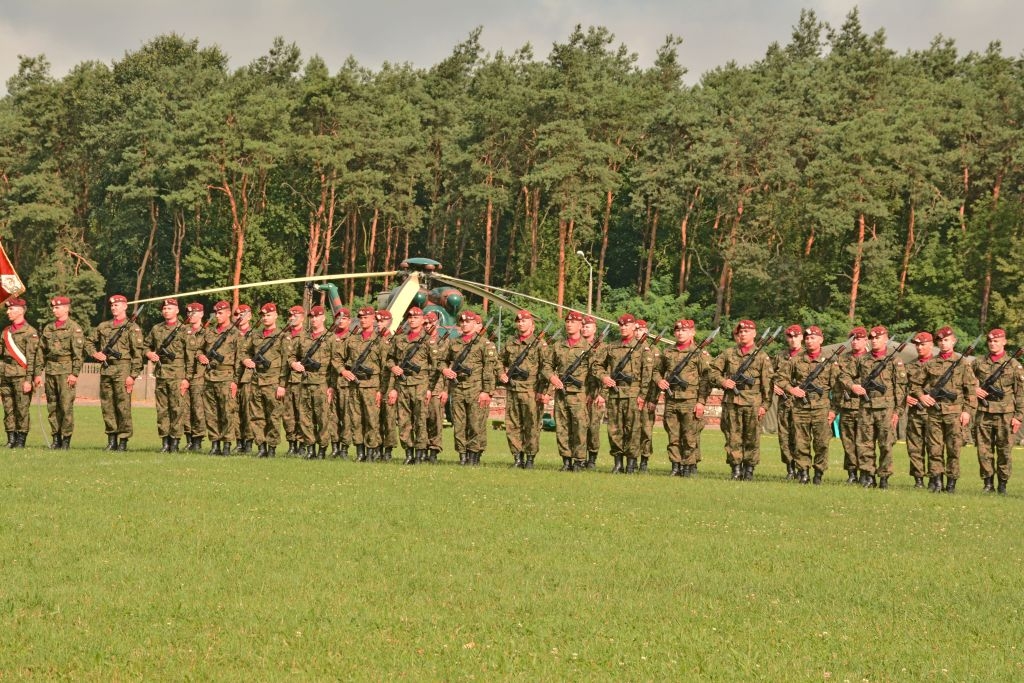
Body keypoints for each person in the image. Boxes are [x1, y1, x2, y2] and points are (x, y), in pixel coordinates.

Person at [844, 325, 907, 489]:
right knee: (864, 444)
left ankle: (884, 477)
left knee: (886, 444)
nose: (874, 341)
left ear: (886, 339)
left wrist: (898, 411)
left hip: (886, 409)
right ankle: (868, 476)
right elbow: (844, 374)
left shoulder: (894, 360)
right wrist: (852, 386)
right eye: (871, 338)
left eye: (877, 338)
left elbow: (900, 388)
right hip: (866, 407)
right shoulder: (862, 359)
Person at [775, 326, 840, 484]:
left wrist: (834, 410)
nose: (809, 341)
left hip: (822, 408)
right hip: (800, 408)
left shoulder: (830, 361)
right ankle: (803, 471)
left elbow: (838, 388)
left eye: (813, 338)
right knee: (800, 442)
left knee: (822, 443)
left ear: (821, 340)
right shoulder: (796, 360)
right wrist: (792, 389)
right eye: (807, 338)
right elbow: (780, 378)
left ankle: (818, 473)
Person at [918, 326, 977, 493]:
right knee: (934, 449)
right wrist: (922, 396)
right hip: (934, 413)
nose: (943, 343)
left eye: (946, 340)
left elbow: (971, 391)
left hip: (955, 414)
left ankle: (951, 483)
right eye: (940, 341)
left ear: (953, 342)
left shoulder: (962, 363)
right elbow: (915, 384)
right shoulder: (930, 363)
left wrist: (967, 411)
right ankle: (937, 481)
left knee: (954, 449)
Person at [713, 320, 773, 480]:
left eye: (747, 331)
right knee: (733, 436)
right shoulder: (728, 353)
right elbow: (712, 371)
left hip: (753, 403)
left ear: (754, 334)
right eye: (741, 332)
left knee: (752, 437)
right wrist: (723, 381)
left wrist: (765, 405)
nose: (743, 334)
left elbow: (768, 384)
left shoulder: (761, 356)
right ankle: (736, 469)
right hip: (732, 402)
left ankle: (749, 469)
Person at [597, 313, 654, 474]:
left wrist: (642, 396)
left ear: (634, 326)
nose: (623, 328)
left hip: (633, 395)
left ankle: (631, 463)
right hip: (615, 394)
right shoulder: (612, 347)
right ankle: (618, 463)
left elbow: (647, 375)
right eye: (621, 325)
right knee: (614, 430)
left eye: (627, 325)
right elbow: (597, 365)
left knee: (633, 430)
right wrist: (604, 377)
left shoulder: (642, 348)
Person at [654, 319, 712, 477]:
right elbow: (656, 370)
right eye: (678, 330)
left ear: (692, 332)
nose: (680, 333)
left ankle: (688, 466)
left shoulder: (700, 353)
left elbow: (706, 379)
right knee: (673, 435)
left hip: (690, 400)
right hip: (671, 399)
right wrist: (659, 381)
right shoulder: (668, 352)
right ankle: (675, 465)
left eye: (684, 330)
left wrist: (701, 402)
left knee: (690, 436)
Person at [438, 311, 495, 466]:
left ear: (474, 324)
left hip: (476, 389)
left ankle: (473, 455)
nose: (464, 324)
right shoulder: (453, 342)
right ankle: (462, 455)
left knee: (475, 424)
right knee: (459, 424)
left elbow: (489, 370)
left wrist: (486, 392)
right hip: (458, 388)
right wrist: (445, 370)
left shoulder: (484, 343)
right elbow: (441, 361)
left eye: (468, 322)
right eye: (462, 322)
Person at [88, 294, 144, 451]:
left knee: (123, 406)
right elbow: (88, 342)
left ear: (125, 306)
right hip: (106, 369)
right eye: (112, 305)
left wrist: (133, 375)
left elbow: (137, 354)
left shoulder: (132, 327)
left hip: (123, 368)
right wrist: (95, 353)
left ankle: (123, 440)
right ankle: (111, 439)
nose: (113, 307)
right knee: (107, 406)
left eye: (117, 305)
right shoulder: (103, 326)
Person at [973, 328, 1023, 494]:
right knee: (983, 450)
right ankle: (988, 483)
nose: (992, 344)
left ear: (1004, 342)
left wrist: (1019, 417)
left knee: (1004, 451)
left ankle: (1002, 484)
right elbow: (965, 380)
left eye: (996, 341)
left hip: (1006, 414)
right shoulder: (978, 362)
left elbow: (1021, 394)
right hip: (984, 412)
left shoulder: (1014, 366)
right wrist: (974, 389)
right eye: (990, 341)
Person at [543, 310, 594, 471]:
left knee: (580, 428)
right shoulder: (558, 345)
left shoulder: (588, 347)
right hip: (561, 393)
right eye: (567, 322)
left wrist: (594, 394)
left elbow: (595, 372)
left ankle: (579, 461)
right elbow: (546, 366)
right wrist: (552, 378)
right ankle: (566, 461)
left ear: (580, 325)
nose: (569, 324)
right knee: (562, 427)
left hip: (580, 394)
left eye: (573, 322)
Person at [498, 309, 547, 469]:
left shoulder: (540, 344)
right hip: (513, 390)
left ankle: (530, 458)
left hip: (531, 391)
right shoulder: (510, 342)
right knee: (512, 426)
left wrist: (543, 391)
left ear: (532, 325)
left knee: (532, 426)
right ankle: (517, 458)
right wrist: (501, 373)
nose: (520, 324)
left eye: (524, 321)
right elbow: (498, 360)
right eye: (518, 321)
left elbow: (546, 369)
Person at [387, 307, 436, 464]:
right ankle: (409, 453)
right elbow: (390, 358)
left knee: (420, 420)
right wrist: (393, 367)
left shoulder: (428, 340)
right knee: (403, 420)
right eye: (410, 317)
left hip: (420, 384)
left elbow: (435, 366)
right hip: (403, 384)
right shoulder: (399, 339)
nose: (412, 320)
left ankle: (420, 453)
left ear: (422, 320)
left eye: (416, 317)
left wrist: (430, 388)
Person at [37, 296, 85, 449]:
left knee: (65, 407)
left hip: (66, 372)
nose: (54, 310)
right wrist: (38, 373)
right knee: (52, 406)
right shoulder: (48, 328)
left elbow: (78, 355)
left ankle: (66, 440)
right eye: (53, 307)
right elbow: (41, 352)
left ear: (66, 309)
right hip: (51, 370)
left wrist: (74, 374)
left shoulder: (74, 328)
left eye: (57, 307)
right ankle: (56, 438)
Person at [241, 302, 287, 457]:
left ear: (276, 316)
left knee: (274, 416)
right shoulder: (255, 335)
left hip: (273, 382)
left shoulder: (282, 336)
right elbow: (243, 351)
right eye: (263, 315)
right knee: (256, 416)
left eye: (268, 315)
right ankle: (261, 447)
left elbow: (286, 362)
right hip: (256, 381)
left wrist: (282, 385)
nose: (265, 318)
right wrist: (246, 360)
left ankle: (272, 448)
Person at [340, 306, 386, 462]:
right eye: (360, 317)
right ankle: (360, 452)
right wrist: (343, 371)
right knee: (356, 420)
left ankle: (371, 451)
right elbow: (337, 357)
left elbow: (385, 368)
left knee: (372, 420)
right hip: (355, 386)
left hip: (372, 387)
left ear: (373, 319)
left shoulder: (380, 341)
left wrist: (381, 390)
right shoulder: (352, 339)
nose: (363, 320)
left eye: (366, 317)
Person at [289, 305, 333, 458]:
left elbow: (335, 363)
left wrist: (332, 386)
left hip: (322, 383)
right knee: (305, 417)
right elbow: (292, 355)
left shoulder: (330, 337)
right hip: (305, 382)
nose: (314, 319)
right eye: (312, 317)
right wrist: (294, 364)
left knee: (323, 418)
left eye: (317, 316)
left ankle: (322, 449)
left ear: (323, 318)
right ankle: (310, 448)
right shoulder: (303, 337)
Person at [198, 301, 241, 455]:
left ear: (228, 313)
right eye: (216, 313)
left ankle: (227, 445)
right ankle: (215, 444)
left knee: (227, 412)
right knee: (211, 413)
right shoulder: (209, 332)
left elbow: (239, 358)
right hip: (210, 376)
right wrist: (201, 356)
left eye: (220, 313)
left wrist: (235, 381)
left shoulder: (235, 333)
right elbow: (199, 349)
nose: (217, 315)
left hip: (226, 377)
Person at [145, 298, 188, 452]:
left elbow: (190, 356)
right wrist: (149, 353)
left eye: (169, 308)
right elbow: (145, 345)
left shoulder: (184, 330)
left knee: (177, 409)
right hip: (161, 374)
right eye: (164, 308)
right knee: (162, 409)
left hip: (178, 374)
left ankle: (175, 442)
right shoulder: (156, 329)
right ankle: (165, 442)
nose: (166, 311)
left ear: (177, 310)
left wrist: (187, 378)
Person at [1, 297, 41, 448]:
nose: (8, 312)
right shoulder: (6, 331)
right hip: (5, 374)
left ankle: (20, 440)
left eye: (11, 309)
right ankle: (11, 439)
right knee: (8, 408)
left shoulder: (30, 332)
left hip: (21, 375)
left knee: (22, 409)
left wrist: (28, 380)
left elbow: (32, 359)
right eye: (8, 309)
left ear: (20, 311)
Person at [836, 326, 869, 483]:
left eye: (858, 339)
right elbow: (839, 378)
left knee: (865, 442)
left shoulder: (872, 359)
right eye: (853, 339)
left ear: (866, 340)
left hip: (866, 407)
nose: (855, 342)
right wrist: (851, 386)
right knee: (848, 441)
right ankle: (852, 473)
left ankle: (865, 473)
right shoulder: (842, 359)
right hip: (848, 405)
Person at [904, 331, 935, 488]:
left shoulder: (938, 365)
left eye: (923, 344)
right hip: (915, 412)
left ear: (931, 345)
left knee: (934, 447)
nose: (919, 348)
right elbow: (901, 386)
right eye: (917, 345)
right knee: (914, 447)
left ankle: (934, 478)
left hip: (934, 412)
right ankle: (918, 479)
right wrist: (905, 397)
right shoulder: (909, 366)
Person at [773, 325, 803, 479]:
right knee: (784, 436)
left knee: (800, 437)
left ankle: (801, 468)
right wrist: (773, 385)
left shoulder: (807, 356)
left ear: (801, 337)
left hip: (801, 404)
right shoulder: (780, 356)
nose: (793, 339)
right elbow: (768, 375)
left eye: (796, 336)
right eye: (790, 337)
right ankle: (790, 468)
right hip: (784, 402)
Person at [181, 303, 208, 452]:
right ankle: (189, 439)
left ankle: (197, 440)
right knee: (185, 409)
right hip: (183, 375)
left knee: (198, 409)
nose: (190, 315)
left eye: (194, 312)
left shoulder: (208, 332)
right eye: (188, 313)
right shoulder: (182, 331)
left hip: (200, 376)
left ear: (201, 314)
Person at [326, 307, 353, 458]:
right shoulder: (329, 338)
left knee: (346, 417)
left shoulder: (353, 338)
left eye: (344, 318)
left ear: (349, 320)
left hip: (346, 383)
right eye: (338, 318)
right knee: (332, 417)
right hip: (332, 382)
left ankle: (344, 448)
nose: (341, 321)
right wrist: (330, 385)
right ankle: (335, 446)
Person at [581, 315, 606, 470]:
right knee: (580, 426)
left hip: (596, 392)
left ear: (595, 329)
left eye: (588, 326)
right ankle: (580, 457)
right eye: (583, 326)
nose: (584, 329)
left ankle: (592, 458)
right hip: (580, 392)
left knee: (593, 427)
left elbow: (608, 371)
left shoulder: (603, 347)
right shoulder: (577, 346)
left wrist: (603, 394)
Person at [281, 305, 307, 455]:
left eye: (295, 316)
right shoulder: (283, 336)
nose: (292, 318)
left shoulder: (307, 336)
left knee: (302, 413)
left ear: (302, 317)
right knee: (288, 415)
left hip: (302, 381)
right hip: (286, 381)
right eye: (290, 315)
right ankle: (291, 444)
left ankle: (302, 444)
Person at [423, 311, 447, 463]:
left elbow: (448, 367)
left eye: (429, 323)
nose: (427, 326)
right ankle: (423, 449)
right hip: (421, 385)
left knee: (435, 419)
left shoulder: (444, 341)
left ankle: (433, 450)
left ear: (436, 324)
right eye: (425, 323)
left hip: (437, 386)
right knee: (421, 419)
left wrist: (445, 390)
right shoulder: (420, 341)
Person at [376, 309, 399, 461]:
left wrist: (395, 389)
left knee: (389, 419)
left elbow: (398, 366)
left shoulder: (395, 340)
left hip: (389, 384)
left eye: (382, 321)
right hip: (374, 384)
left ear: (389, 322)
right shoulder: (373, 340)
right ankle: (377, 448)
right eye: (378, 321)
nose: (379, 324)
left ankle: (388, 450)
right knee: (375, 419)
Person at [233, 304, 255, 453]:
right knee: (234, 411)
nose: (240, 317)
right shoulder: (230, 334)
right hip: (231, 377)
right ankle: (238, 441)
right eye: (237, 314)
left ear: (250, 316)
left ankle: (248, 442)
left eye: (243, 314)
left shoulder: (255, 335)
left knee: (248, 410)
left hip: (247, 378)